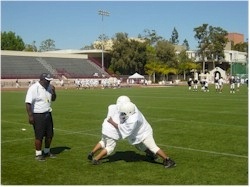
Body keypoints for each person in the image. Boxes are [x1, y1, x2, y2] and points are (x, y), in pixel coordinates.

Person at [88, 96, 157, 165]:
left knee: (103, 141)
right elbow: (123, 123)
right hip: (112, 131)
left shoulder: (111, 106)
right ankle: (96, 159)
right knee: (110, 148)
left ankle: (92, 152)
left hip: (105, 127)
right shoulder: (124, 112)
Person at [108, 101, 176, 168]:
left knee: (152, 147)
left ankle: (168, 160)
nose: (122, 114)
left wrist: (111, 122)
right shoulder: (133, 108)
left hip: (145, 132)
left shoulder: (132, 120)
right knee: (139, 146)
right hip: (139, 133)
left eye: (123, 113)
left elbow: (122, 128)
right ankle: (152, 154)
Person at [25, 73, 57, 161]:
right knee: (39, 136)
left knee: (50, 135)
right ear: (42, 80)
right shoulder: (34, 88)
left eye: (49, 81)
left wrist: (53, 91)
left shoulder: (49, 87)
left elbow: (53, 99)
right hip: (38, 115)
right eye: (47, 80)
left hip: (48, 113)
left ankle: (47, 151)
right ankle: (38, 154)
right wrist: (30, 116)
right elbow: (28, 103)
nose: (49, 82)